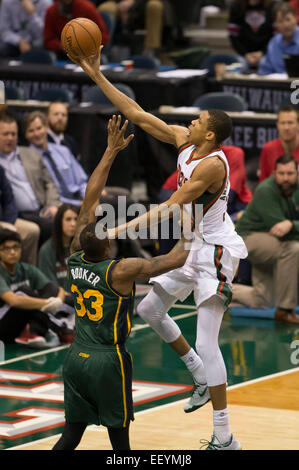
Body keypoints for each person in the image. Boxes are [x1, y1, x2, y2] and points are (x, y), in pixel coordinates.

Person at [66, 49, 248, 450]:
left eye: (198, 120)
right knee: (149, 309)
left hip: (216, 250)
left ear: (211, 136)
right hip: (193, 244)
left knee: (206, 341)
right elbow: (138, 113)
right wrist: (97, 75)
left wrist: (116, 226)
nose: (191, 121)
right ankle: (199, 375)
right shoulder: (186, 142)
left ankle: (224, 437)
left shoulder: (212, 166)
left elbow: (168, 208)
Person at [52, 115, 189, 450]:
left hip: (76, 357)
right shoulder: (121, 271)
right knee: (120, 444)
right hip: (107, 360)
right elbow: (176, 259)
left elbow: (90, 196)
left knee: (71, 436)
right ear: (109, 245)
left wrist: (110, 151)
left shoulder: (73, 256)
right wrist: (193, 212)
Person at [233, 155, 299, 323]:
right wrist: (291, 227)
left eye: (290, 173)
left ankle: (219, 290)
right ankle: (285, 310)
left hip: (270, 241)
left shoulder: (296, 189)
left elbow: (288, 229)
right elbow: (279, 231)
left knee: (263, 300)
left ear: (297, 173)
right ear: (274, 173)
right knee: (292, 249)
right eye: (281, 173)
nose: (285, 178)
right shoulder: (266, 190)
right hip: (248, 238)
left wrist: (291, 225)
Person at [0, 228, 72, 348]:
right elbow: (13, 300)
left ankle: (33, 331)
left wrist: (57, 301)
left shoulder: (26, 268)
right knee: (23, 292)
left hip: (19, 324)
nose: (12, 252)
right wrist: (46, 303)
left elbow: (56, 289)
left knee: (52, 291)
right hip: (3, 328)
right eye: (6, 248)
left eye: (16, 247)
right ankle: (60, 328)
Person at [0, 114, 61, 247]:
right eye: (5, 134)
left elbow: (50, 183)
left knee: (71, 219)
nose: (10, 138)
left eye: (13, 134)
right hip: (17, 212)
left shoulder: (31, 154)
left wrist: (52, 205)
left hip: (42, 208)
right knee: (51, 227)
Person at [23, 111, 88, 207]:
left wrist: (89, 198)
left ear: (46, 128)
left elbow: (82, 181)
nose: (36, 134)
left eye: (39, 128)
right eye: (31, 131)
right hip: (59, 205)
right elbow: (45, 196)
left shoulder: (63, 150)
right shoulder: (27, 160)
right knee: (115, 205)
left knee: (117, 196)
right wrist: (78, 204)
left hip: (83, 198)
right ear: (26, 135)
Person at [0, 164, 40, 266]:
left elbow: (9, 199)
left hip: (4, 219)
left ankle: (28, 272)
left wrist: (8, 223)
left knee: (32, 230)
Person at [43, 0, 110, 60]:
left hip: (89, 53)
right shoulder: (51, 11)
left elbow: (104, 37)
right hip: (64, 54)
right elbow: (48, 41)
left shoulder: (87, 8)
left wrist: (85, 44)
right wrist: (63, 46)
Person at [228, 0, 275, 70]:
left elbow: (274, 37)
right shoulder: (236, 6)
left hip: (265, 53)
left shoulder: (271, 6)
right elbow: (233, 37)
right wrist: (245, 54)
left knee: (264, 64)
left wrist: (262, 52)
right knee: (240, 66)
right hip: (243, 54)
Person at [259, 104, 299, 182]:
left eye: (290, 123)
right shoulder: (268, 149)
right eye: (283, 123)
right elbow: (262, 183)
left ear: (298, 125)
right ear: (277, 125)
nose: (286, 128)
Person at [258, 2, 299, 75]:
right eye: (281, 21)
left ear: (295, 19)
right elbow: (265, 72)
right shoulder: (273, 43)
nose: (285, 25)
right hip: (278, 85)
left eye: (288, 19)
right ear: (275, 24)